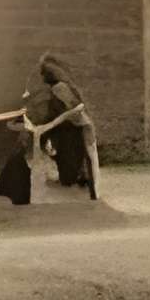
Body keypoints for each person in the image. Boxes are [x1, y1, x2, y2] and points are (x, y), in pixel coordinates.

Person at [24, 55, 99, 199]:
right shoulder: (55, 90)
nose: (41, 77)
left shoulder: (60, 87)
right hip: (68, 129)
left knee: (83, 160)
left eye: (43, 74)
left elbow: (77, 108)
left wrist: (51, 124)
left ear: (49, 75)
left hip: (77, 127)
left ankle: (86, 185)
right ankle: (78, 180)